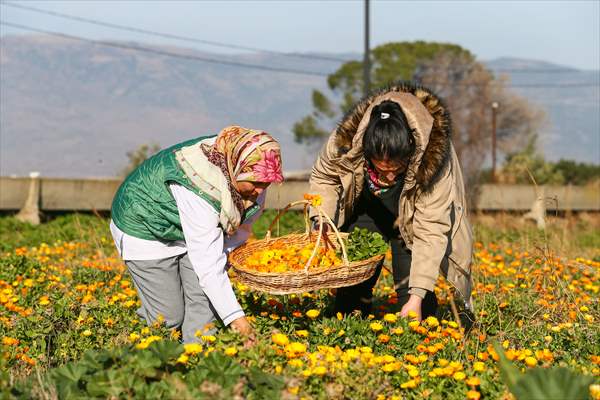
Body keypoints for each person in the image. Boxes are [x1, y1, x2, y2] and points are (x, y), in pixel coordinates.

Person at [309, 82, 473, 321]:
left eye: (395, 170)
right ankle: (352, 325)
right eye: (379, 168)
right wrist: (321, 218)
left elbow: (432, 229)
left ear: (410, 150)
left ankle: (417, 316)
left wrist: (416, 297)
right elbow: (325, 177)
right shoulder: (345, 140)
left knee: (418, 308)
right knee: (349, 299)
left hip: (414, 219)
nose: (387, 177)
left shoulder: (435, 160)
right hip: (367, 209)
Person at [110, 125, 283, 343]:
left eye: (267, 182)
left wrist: (227, 256)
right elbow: (209, 267)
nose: (260, 190)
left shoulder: (246, 172)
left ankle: (198, 364)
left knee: (204, 306)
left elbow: (241, 230)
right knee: (168, 317)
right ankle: (148, 365)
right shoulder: (201, 184)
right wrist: (238, 321)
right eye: (256, 182)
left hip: (195, 230)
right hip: (145, 225)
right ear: (236, 169)